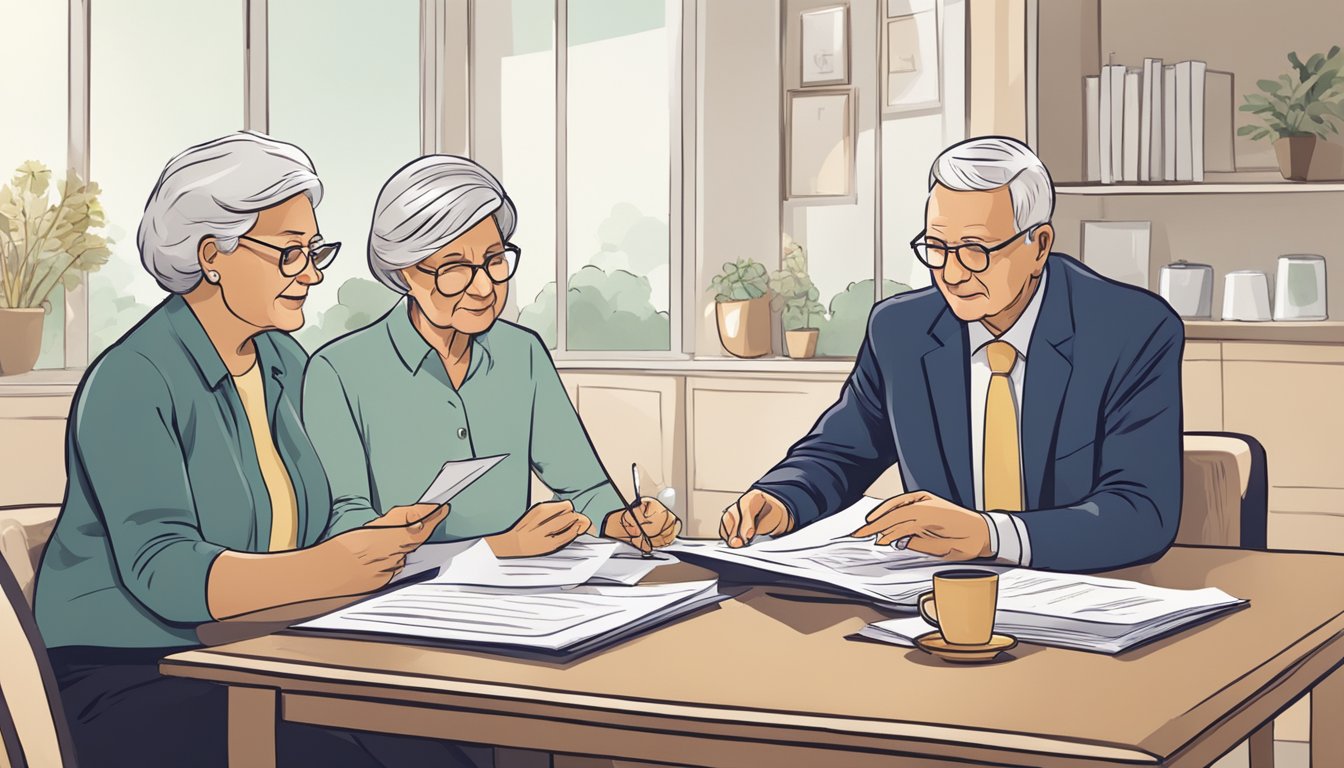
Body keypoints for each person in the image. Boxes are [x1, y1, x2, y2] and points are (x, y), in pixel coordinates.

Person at [33, 132, 472, 767]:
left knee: (455, 747)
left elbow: (320, 516)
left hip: (259, 646)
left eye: (315, 250)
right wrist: (333, 568)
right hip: (132, 673)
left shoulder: (284, 361)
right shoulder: (132, 380)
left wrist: (380, 539)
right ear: (212, 254)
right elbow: (165, 572)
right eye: (292, 254)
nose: (314, 273)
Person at [719, 136, 1184, 573]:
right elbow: (842, 453)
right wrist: (781, 499)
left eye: (976, 250)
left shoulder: (1130, 330)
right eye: (937, 247)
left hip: (1084, 596)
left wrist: (991, 535)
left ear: (1039, 245)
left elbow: (1141, 512)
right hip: (934, 595)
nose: (952, 273)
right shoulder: (902, 331)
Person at [302, 155, 679, 557]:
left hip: (521, 591)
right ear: (405, 274)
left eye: (494, 261)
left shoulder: (523, 353)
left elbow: (584, 487)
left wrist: (621, 520)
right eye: (455, 268)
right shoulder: (337, 373)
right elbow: (347, 527)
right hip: (401, 602)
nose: (484, 287)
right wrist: (495, 548)